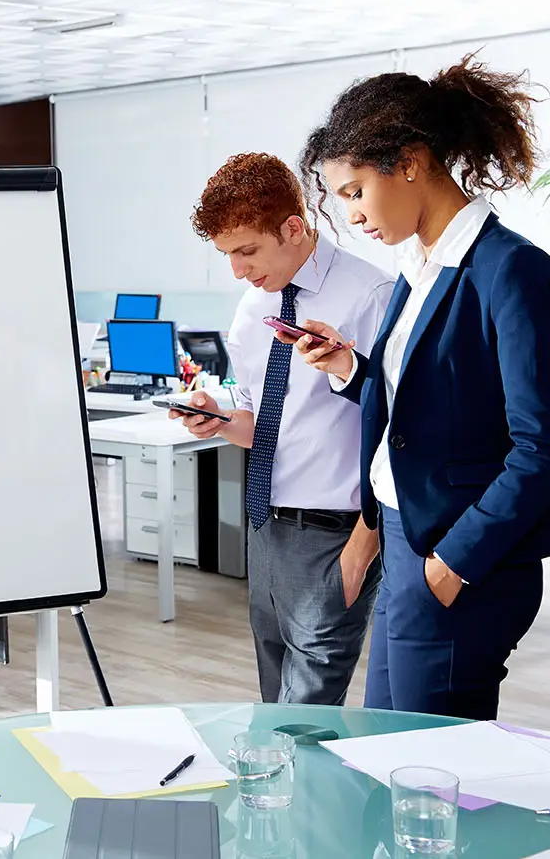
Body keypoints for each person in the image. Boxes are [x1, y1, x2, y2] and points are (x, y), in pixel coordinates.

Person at [292, 55, 550, 719]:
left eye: (356, 191)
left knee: (431, 778)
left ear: (412, 162)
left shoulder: (508, 269)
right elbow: (429, 404)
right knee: (390, 754)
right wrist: (351, 370)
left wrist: (451, 562)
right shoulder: (417, 267)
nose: (352, 215)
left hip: (458, 556)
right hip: (406, 541)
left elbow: (547, 446)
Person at [178, 152, 394, 706]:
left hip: (337, 535)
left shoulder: (371, 296)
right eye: (227, 255)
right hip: (266, 530)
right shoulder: (253, 309)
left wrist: (362, 550)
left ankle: (313, 795)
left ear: (294, 228)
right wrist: (216, 416)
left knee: (307, 713)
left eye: (247, 251)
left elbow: (401, 427)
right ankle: (282, 796)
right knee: (275, 702)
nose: (238, 270)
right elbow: (261, 424)